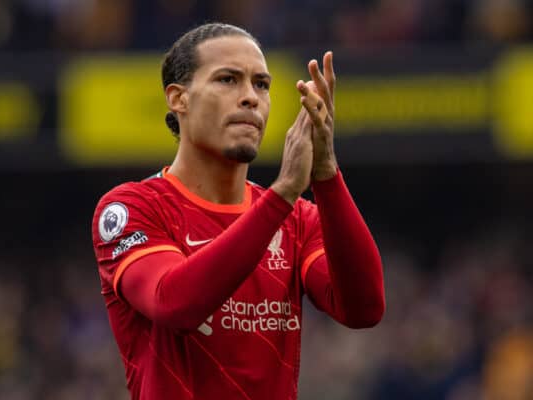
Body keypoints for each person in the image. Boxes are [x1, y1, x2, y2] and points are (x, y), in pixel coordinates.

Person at [92, 22, 385, 399]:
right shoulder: (132, 208)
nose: (250, 97)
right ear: (178, 98)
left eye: (261, 84)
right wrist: (281, 196)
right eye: (228, 80)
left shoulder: (297, 219)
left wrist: (326, 174)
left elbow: (364, 309)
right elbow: (174, 303)